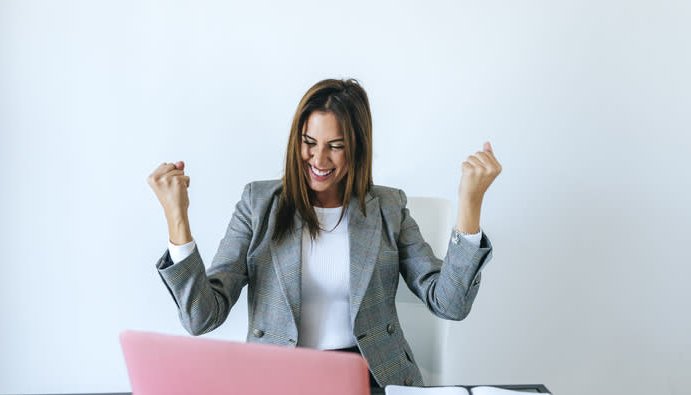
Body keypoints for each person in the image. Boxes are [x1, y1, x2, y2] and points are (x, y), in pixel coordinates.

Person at [147, 78, 501, 388]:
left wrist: (470, 202)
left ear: (357, 147)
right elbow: (201, 317)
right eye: (309, 142)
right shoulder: (258, 204)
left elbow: (450, 303)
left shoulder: (388, 207)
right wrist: (177, 218)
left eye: (336, 145)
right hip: (279, 379)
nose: (318, 159)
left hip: (370, 377)